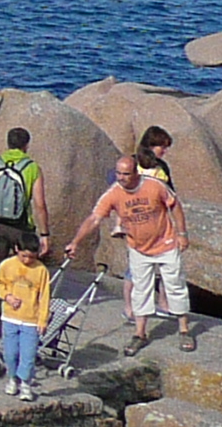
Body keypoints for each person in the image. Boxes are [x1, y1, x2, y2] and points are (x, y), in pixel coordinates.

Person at [83, 127, 198, 354]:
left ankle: (183, 329)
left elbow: (173, 201)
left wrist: (181, 233)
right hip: (137, 240)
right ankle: (139, 331)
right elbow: (103, 206)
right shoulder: (130, 166)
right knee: (138, 284)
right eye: (161, 146)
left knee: (174, 283)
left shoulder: (160, 171)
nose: (163, 151)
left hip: (164, 239)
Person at [0, 129, 51, 341]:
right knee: (23, 270)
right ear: (27, 145)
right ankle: (18, 318)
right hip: (21, 227)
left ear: (7, 143)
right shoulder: (32, 168)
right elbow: (39, 204)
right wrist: (44, 234)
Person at [0, 235, 54, 398]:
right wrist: (7, 296)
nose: (27, 260)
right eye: (24, 256)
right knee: (10, 353)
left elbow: (44, 297)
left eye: (32, 257)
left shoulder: (41, 271)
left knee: (28, 355)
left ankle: (26, 384)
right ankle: (13, 379)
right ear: (17, 250)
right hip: (10, 317)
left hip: (31, 320)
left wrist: (43, 320)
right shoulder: (6, 265)